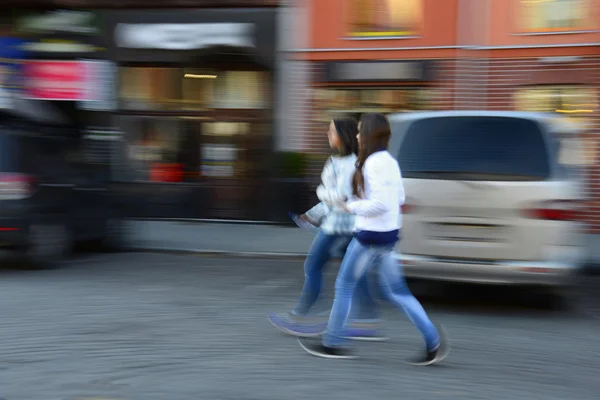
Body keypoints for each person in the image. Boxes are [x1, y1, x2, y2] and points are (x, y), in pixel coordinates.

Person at [298, 113, 450, 365]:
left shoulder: (372, 163)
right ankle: (433, 341)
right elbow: (399, 198)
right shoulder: (389, 161)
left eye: (360, 131)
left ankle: (333, 342)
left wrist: (352, 206)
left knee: (344, 286)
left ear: (369, 134)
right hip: (388, 237)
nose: (357, 136)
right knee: (398, 291)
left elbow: (380, 203)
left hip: (369, 238)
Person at [268, 118, 385, 341]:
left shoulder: (352, 163)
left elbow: (340, 196)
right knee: (354, 274)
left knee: (313, 266)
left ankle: (307, 314)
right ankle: (369, 321)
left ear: (343, 134)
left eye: (331, 131)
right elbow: (333, 200)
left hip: (341, 229)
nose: (327, 134)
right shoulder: (337, 161)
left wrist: (322, 192)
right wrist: (312, 215)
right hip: (339, 226)